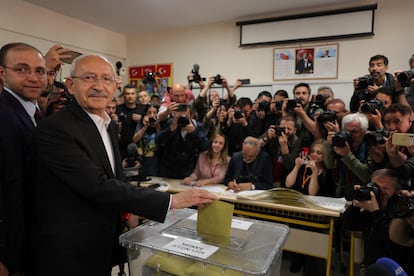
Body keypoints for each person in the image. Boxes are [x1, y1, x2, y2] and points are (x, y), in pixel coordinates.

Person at [29, 54, 217, 276]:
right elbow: (96, 186)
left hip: (101, 243)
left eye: (106, 79)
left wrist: (127, 211)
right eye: (89, 77)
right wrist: (172, 201)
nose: (99, 86)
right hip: (69, 250)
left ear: (115, 86)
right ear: (71, 85)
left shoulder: (106, 125)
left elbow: (114, 177)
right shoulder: (56, 128)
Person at [0, 42, 48, 276]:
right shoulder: (3, 115)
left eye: (39, 71)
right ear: (2, 73)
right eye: (21, 69)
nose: (33, 77)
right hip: (10, 250)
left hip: (34, 241)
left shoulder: (37, 113)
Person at [342, 169, 411, 271]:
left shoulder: (401, 213)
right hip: (371, 268)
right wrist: (356, 203)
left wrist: (376, 212)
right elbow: (349, 224)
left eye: (385, 188)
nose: (380, 192)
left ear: (397, 191)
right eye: (376, 188)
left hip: (393, 271)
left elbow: (392, 240)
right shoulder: (370, 211)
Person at [156, 103, 209, 179]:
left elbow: (205, 146)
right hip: (169, 169)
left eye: (185, 117)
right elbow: (158, 141)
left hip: (188, 169)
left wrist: (194, 132)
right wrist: (170, 130)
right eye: (179, 117)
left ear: (191, 116)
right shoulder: (170, 123)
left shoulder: (198, 126)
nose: (182, 120)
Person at [132, 103, 161, 177]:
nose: (152, 115)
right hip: (141, 159)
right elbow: (135, 140)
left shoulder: (160, 124)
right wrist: (145, 126)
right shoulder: (142, 123)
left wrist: (157, 126)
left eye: (154, 113)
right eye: (149, 113)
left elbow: (161, 141)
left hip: (155, 160)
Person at [116, 84, 142, 158]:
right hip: (121, 148)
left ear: (136, 95)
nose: (130, 96)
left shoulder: (142, 109)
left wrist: (141, 119)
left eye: (132, 93)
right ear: (123, 95)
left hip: (140, 148)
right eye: (127, 93)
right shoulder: (117, 109)